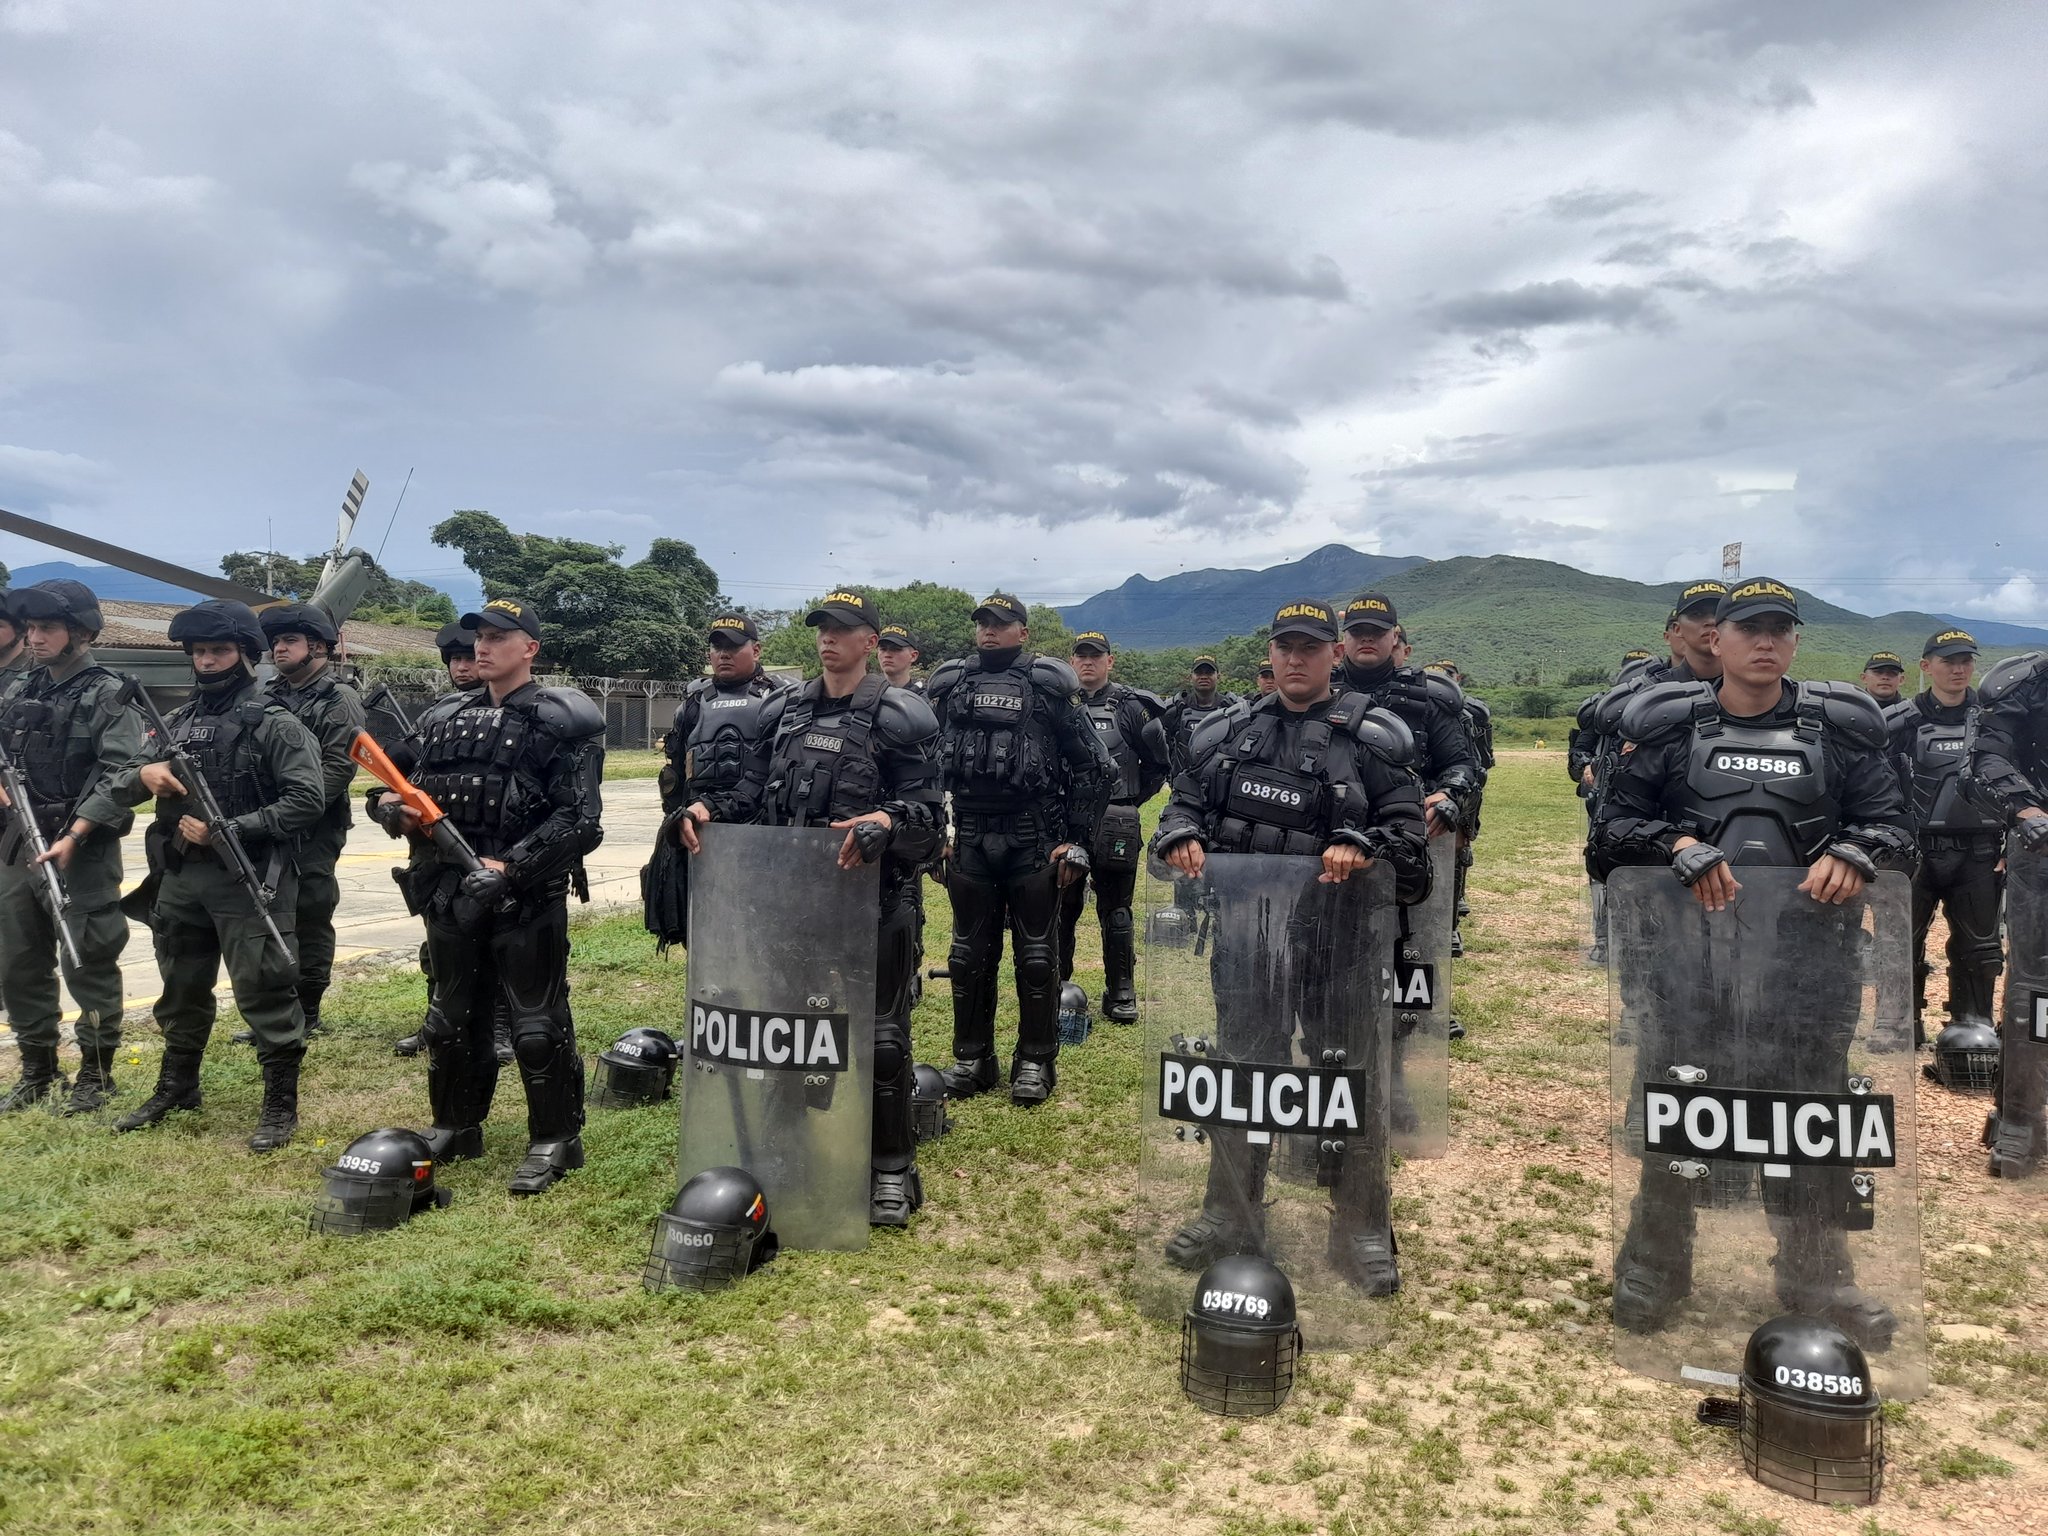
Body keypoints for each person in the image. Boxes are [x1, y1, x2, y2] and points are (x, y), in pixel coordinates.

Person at [1590, 577, 1914, 1339]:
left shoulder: (1839, 731)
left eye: (1780, 629)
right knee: (1676, 1106)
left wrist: (1858, 849)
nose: (1765, 642)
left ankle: (1816, 1278)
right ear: (1717, 640)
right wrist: (1675, 844)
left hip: (1809, 962)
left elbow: (1896, 825)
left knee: (1810, 1119)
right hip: (1690, 962)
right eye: (1749, 628)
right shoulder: (1669, 730)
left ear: (1795, 641)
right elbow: (1610, 832)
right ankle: (1657, 1264)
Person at [1152, 597, 1431, 1292]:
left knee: (1348, 1079)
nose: (1297, 658)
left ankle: (1362, 1222)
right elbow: (1182, 806)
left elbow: (1414, 855)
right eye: (1285, 646)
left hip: (1340, 946)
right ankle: (1230, 1212)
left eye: (1311, 646)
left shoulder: (1374, 740)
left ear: (1336, 654)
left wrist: (1367, 845)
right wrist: (1179, 834)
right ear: (1269, 655)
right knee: (1242, 1074)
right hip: (1249, 941)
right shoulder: (1229, 733)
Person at [369, 597, 606, 1195]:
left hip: (522, 897)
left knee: (534, 1022)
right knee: (450, 1018)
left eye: (499, 636)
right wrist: (389, 810)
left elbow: (581, 818)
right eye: (479, 635)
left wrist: (513, 866)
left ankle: (555, 1139)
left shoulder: (562, 717)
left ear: (530, 648)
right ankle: (455, 1125)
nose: (483, 645)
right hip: (447, 893)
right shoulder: (443, 717)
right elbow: (384, 788)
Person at [109, 600, 326, 1151]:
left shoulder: (276, 722)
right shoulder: (176, 721)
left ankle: (280, 1103)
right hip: (181, 877)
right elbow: (129, 775)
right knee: (180, 985)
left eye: (219, 650)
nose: (207, 661)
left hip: (249, 877)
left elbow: (307, 800)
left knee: (264, 988)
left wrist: (232, 827)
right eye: (199, 651)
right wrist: (144, 771)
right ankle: (177, 1085)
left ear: (246, 654)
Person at [756, 589, 943, 1223]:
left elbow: (928, 816)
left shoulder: (900, 717)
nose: (828, 638)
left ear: (870, 641)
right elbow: (751, 797)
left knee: (882, 1038)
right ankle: (792, 1149)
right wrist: (702, 810)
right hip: (795, 902)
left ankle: (891, 1166)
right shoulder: (781, 712)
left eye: (842, 629)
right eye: (821, 628)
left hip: (877, 899)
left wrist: (887, 821)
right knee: (792, 1030)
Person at [926, 592, 1115, 1106]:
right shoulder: (949, 685)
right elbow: (923, 763)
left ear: (1022, 632)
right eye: (983, 622)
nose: (989, 630)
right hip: (967, 836)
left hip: (1033, 839)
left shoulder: (1049, 686)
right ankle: (972, 1060)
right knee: (967, 956)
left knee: (1036, 957)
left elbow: (1096, 769)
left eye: (1001, 623)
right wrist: (935, 832)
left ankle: (1035, 1061)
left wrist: (1074, 841)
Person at [0, 580, 147, 1114]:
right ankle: (37, 1068)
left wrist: (77, 832)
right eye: (31, 628)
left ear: (80, 632)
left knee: (87, 959)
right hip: (18, 843)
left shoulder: (107, 692)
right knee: (17, 960)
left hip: (79, 849)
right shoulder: (23, 688)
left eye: (46, 628)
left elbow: (123, 770)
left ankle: (96, 1072)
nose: (34, 638)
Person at [222, 603, 364, 1047]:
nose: (278, 649)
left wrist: (291, 810)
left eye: (289, 641)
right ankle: (277, 1008)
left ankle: (308, 1006)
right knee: (273, 916)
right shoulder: (267, 696)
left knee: (311, 912)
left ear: (318, 648)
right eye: (276, 642)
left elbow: (338, 767)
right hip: (271, 821)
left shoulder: (338, 698)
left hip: (314, 826)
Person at [1886, 630, 2002, 1044]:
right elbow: (1875, 783)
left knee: (1981, 947)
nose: (1959, 669)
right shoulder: (1901, 720)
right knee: (1900, 941)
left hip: (1981, 851)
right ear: (1925, 666)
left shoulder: (1993, 718)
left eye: (1967, 661)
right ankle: (1899, 1023)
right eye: (1949, 660)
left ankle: (1973, 1025)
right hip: (1916, 851)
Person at [1963, 638, 2048, 1175]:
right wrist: (2026, 807)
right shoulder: (2022, 682)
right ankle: (2020, 1116)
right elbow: (1985, 756)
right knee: (2035, 984)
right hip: (2042, 843)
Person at [1058, 630, 1170, 1023]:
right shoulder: (1057, 704)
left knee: (1116, 908)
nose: (1087, 662)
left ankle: (1121, 989)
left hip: (1116, 820)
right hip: (1065, 822)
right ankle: (1059, 987)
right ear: (1072, 661)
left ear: (1110, 661)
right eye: (1081, 655)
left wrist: (1128, 805)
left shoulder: (1131, 707)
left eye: (1095, 656)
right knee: (1062, 905)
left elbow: (1157, 766)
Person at [393, 621, 483, 1059]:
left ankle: (501, 1025)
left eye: (469, 657)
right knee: (439, 939)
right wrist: (390, 803)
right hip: (433, 847)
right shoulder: (436, 715)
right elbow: (398, 769)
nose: (463, 667)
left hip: (487, 842)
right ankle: (437, 1020)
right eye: (455, 660)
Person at [660, 612, 789, 873]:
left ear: (756, 650)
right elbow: (675, 775)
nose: (724, 654)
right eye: (717, 647)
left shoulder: (782, 697)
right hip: (701, 829)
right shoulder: (693, 703)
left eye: (733, 646)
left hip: (762, 830)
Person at [1165, 657, 1235, 773]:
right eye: (1198, 673)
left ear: (1218, 676)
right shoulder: (1176, 709)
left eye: (1209, 672)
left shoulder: (1231, 708)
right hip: (1183, 780)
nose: (1203, 676)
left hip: (1219, 779)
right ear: (1190, 676)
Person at [877, 624, 926, 693]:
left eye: (895, 649)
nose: (887, 655)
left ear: (913, 656)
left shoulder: (923, 699)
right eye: (883, 649)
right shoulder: (867, 695)